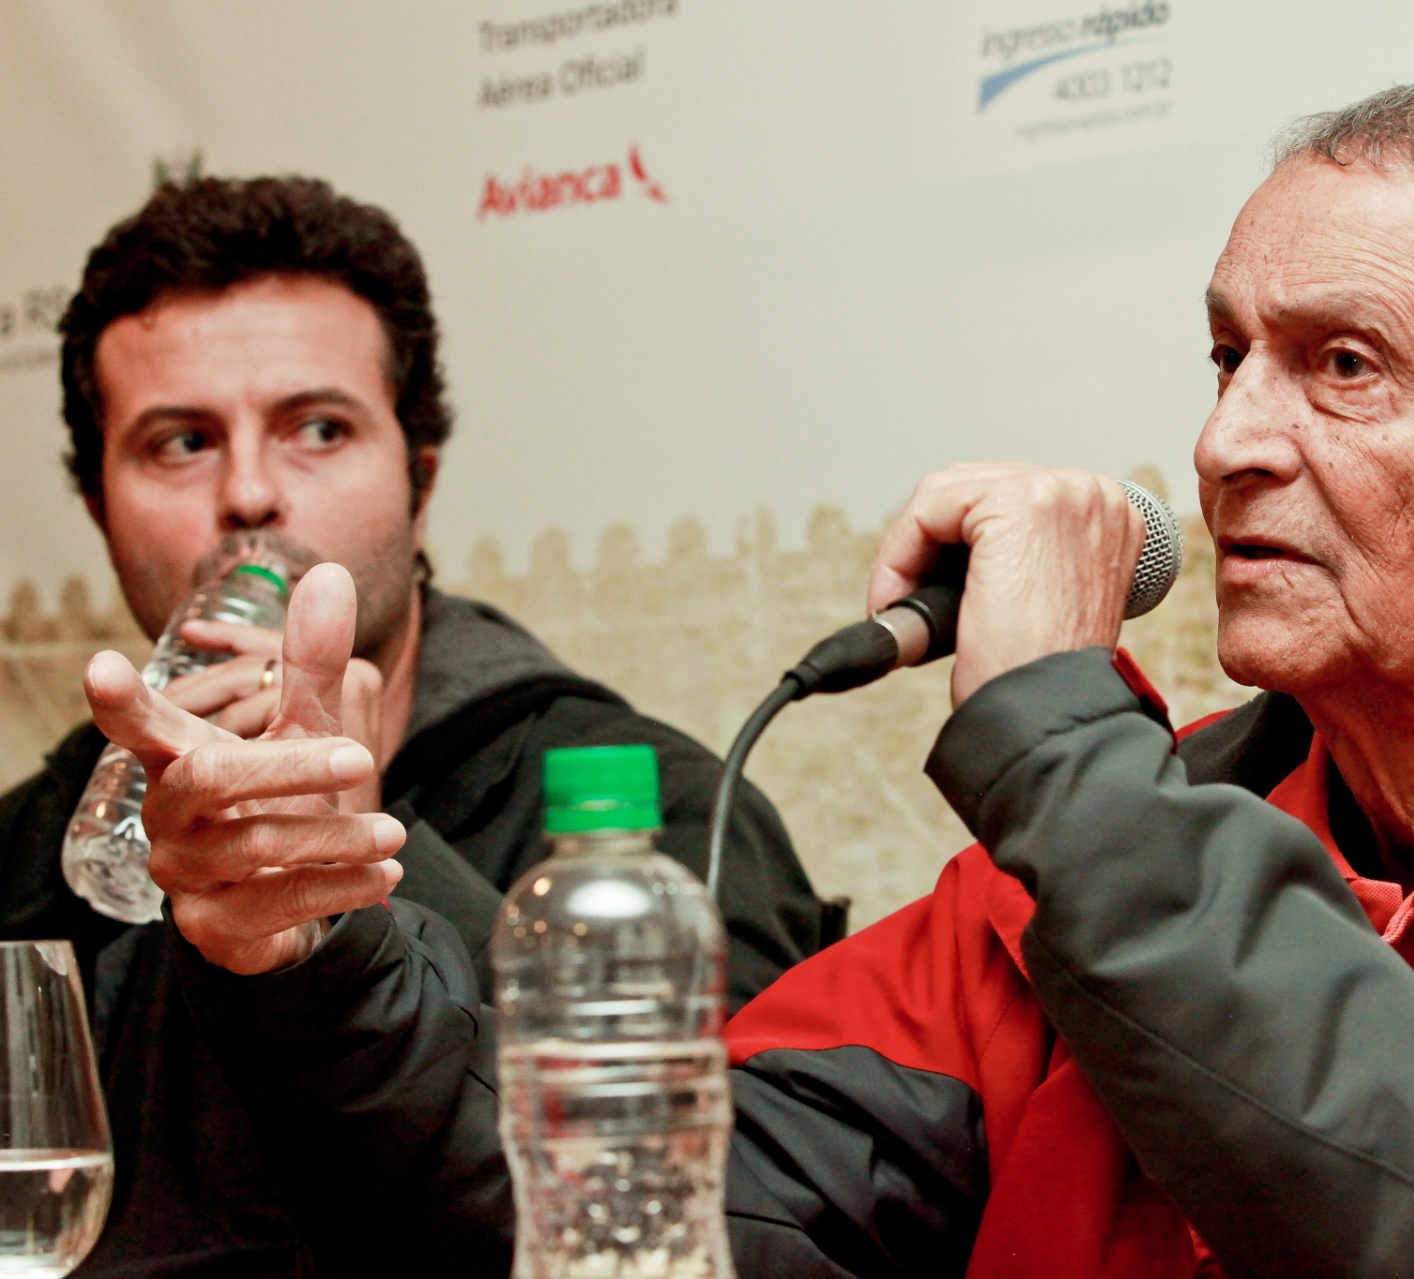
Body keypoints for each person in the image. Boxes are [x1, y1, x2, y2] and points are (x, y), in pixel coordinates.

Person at [81, 85, 1414, 1277]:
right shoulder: (1093, 848)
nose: (1227, 441)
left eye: (1343, 365)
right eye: (1224, 356)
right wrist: (319, 948)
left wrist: (1062, 748)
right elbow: (649, 1216)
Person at [0, 176, 828, 1278]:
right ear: (100, 510)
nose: (248, 493)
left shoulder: (653, 822)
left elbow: (762, 1227)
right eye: (180, 442)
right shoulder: (30, 854)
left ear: (418, 480)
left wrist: (364, 898)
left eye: (319, 428)